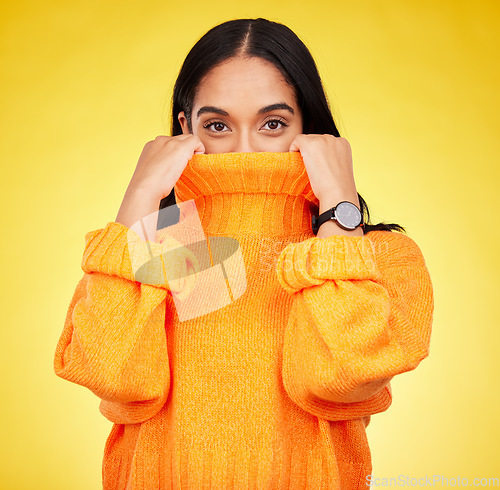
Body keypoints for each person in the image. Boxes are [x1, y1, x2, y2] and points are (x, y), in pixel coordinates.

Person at [54, 18, 434, 489]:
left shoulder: (375, 257)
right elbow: (115, 377)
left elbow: (338, 376)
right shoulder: (175, 244)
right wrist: (137, 205)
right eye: (217, 125)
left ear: (310, 131)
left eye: (272, 123)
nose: (244, 150)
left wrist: (340, 206)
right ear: (184, 130)